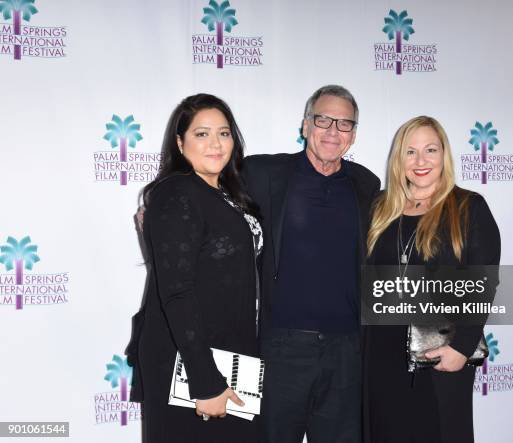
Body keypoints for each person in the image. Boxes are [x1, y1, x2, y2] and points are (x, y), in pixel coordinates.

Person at [243, 85, 380, 443]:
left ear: (354, 135)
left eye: (345, 124)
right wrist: (162, 201)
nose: (333, 131)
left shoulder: (367, 185)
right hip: (280, 351)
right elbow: (207, 184)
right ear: (305, 125)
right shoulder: (262, 173)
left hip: (347, 352)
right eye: (323, 120)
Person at [129, 94, 263, 443]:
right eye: (202, 134)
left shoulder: (227, 194)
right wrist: (205, 380)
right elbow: (177, 291)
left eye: (224, 133)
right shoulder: (176, 193)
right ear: (179, 142)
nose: (216, 144)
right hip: (191, 362)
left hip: (231, 356)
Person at [363, 116, 501, 443]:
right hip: (380, 358)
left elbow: (483, 284)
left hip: (439, 354)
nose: (421, 161)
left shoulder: (467, 207)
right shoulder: (380, 209)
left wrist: (462, 347)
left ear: (444, 155)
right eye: (410, 152)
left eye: (430, 150)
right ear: (399, 159)